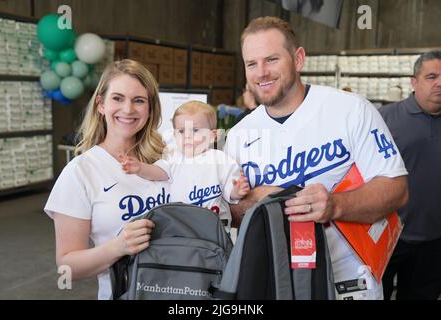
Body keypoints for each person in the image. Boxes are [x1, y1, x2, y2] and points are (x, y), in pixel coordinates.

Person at [224, 16, 409, 300]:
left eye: (272, 59)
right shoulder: (239, 135)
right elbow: (229, 214)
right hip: (275, 281)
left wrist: (335, 205)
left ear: (298, 59)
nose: (261, 72)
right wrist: (256, 203)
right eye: (252, 63)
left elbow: (396, 189)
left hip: (347, 283)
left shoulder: (350, 109)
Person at [44, 59, 170, 299]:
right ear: (101, 105)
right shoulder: (81, 172)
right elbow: (67, 268)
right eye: (118, 98)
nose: (128, 109)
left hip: (184, 290)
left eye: (139, 100)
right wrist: (119, 246)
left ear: (150, 108)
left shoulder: (168, 159)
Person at [121, 100, 250, 230]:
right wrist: (140, 168)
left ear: (212, 136)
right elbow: (157, 172)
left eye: (195, 130)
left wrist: (237, 191)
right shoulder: (172, 157)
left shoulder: (220, 159)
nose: (187, 136)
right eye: (181, 131)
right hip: (182, 227)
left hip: (215, 230)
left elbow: (230, 191)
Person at [379, 51, 441, 300]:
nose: (439, 83)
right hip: (387, 236)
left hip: (434, 240)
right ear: (414, 82)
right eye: (431, 76)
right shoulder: (385, 119)